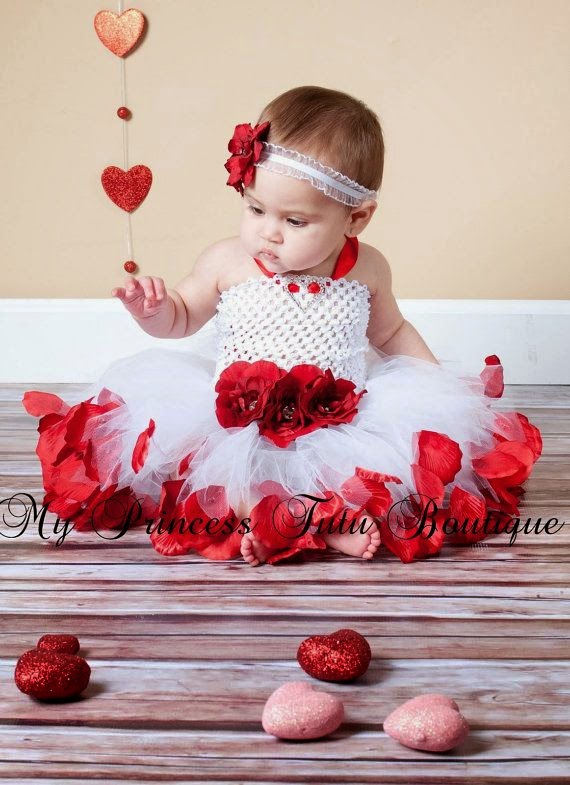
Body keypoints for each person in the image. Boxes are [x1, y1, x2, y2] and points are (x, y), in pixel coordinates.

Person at [22, 85, 542, 566]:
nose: (268, 233)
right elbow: (181, 317)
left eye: (295, 222)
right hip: (237, 420)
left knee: (365, 474)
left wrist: (434, 386)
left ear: (355, 219)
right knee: (217, 471)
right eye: (254, 208)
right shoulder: (227, 260)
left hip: (335, 422)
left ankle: (320, 517)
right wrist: (153, 311)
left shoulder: (368, 269)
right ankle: (277, 514)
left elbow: (389, 334)